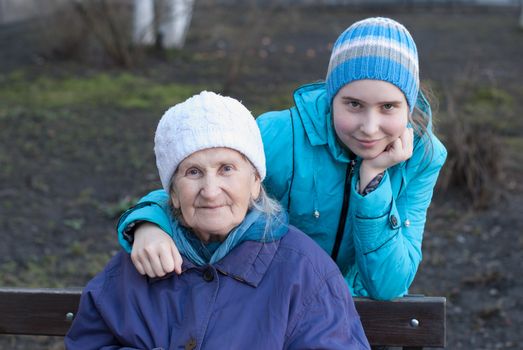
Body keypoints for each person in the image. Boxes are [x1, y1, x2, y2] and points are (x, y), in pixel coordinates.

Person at [117, 17, 447, 301]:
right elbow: (200, 184)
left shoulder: (423, 157)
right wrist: (150, 225)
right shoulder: (279, 135)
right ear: (332, 96)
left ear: (408, 105)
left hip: (351, 322)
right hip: (265, 306)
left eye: (388, 107)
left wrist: (374, 181)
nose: (370, 128)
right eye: (353, 105)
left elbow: (389, 286)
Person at [65, 91, 370, 349]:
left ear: (254, 182)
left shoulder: (304, 272)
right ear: (172, 193)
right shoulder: (134, 267)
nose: (210, 192)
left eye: (226, 168)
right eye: (193, 172)